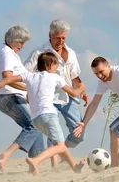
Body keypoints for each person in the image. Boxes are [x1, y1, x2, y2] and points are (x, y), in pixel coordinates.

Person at [0, 52, 86, 175]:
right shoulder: (55, 77)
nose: (56, 69)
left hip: (36, 120)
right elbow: (73, 93)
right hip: (49, 115)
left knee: (58, 144)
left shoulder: (30, 76)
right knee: (61, 146)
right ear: (51, 65)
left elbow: (7, 80)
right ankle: (35, 160)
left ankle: (74, 167)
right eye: (56, 66)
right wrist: (82, 87)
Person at [24, 19, 88, 166]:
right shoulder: (39, 53)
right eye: (57, 38)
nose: (60, 41)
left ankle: (61, 150)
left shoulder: (71, 53)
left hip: (67, 96)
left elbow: (74, 76)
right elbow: (26, 74)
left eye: (63, 38)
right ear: (50, 35)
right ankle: (55, 161)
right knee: (52, 132)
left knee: (79, 132)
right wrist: (29, 92)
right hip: (48, 98)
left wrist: (82, 92)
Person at [0, 25, 45, 172]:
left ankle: (34, 167)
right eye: (20, 42)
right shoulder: (7, 53)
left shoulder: (9, 53)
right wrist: (28, 89)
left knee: (37, 129)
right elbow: (7, 78)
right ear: (13, 40)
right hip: (10, 97)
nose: (22, 45)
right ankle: (6, 154)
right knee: (34, 125)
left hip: (12, 97)